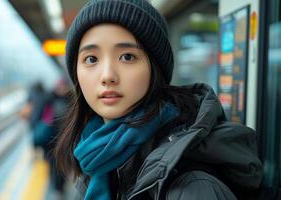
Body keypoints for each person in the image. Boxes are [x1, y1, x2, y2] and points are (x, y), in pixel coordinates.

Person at [54, 0, 263, 200]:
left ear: (155, 70)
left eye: (127, 56)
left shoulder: (192, 187)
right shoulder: (95, 160)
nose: (107, 75)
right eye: (91, 59)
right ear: (77, 74)